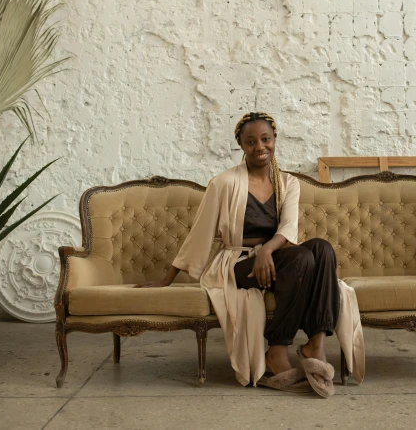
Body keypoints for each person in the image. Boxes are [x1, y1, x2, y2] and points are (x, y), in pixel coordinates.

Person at [138, 112, 364, 397]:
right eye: (251, 141)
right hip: (237, 263)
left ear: (274, 139)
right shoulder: (223, 183)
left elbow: (289, 227)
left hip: (274, 256)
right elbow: (200, 234)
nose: (260, 147)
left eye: (266, 139)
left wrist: (267, 250)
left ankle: (315, 344)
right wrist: (166, 279)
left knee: (322, 249)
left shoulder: (288, 183)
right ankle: (277, 350)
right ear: (241, 145)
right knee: (303, 259)